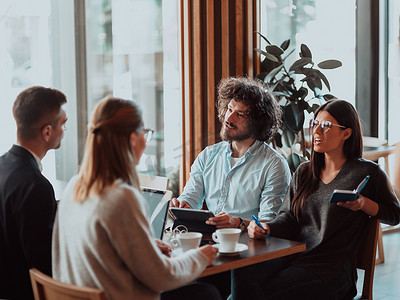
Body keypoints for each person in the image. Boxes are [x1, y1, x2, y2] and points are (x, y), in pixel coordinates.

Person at [52, 97, 220, 300]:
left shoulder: (74, 186)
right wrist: (200, 256)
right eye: (145, 133)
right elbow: (161, 277)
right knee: (206, 293)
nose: (145, 140)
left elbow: (96, 248)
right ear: (132, 138)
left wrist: (145, 245)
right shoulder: (122, 197)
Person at [231, 99, 400, 300]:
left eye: (326, 126)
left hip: (331, 270)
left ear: (346, 133)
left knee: (261, 293)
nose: (317, 131)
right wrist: (267, 228)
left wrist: (365, 204)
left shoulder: (367, 173)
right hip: (295, 257)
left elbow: (395, 215)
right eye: (315, 124)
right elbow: (288, 218)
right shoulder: (304, 172)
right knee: (241, 272)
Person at [171, 77, 291, 230]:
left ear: (257, 122)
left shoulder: (274, 165)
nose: (228, 118)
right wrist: (183, 206)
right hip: (213, 241)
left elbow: (269, 224)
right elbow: (190, 198)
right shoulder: (208, 155)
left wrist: (239, 223)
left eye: (240, 114)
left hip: (252, 247)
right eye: (229, 109)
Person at [0, 86, 67, 300]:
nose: (64, 131)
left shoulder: (2, 165)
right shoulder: (36, 186)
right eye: (63, 124)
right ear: (47, 132)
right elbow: (45, 268)